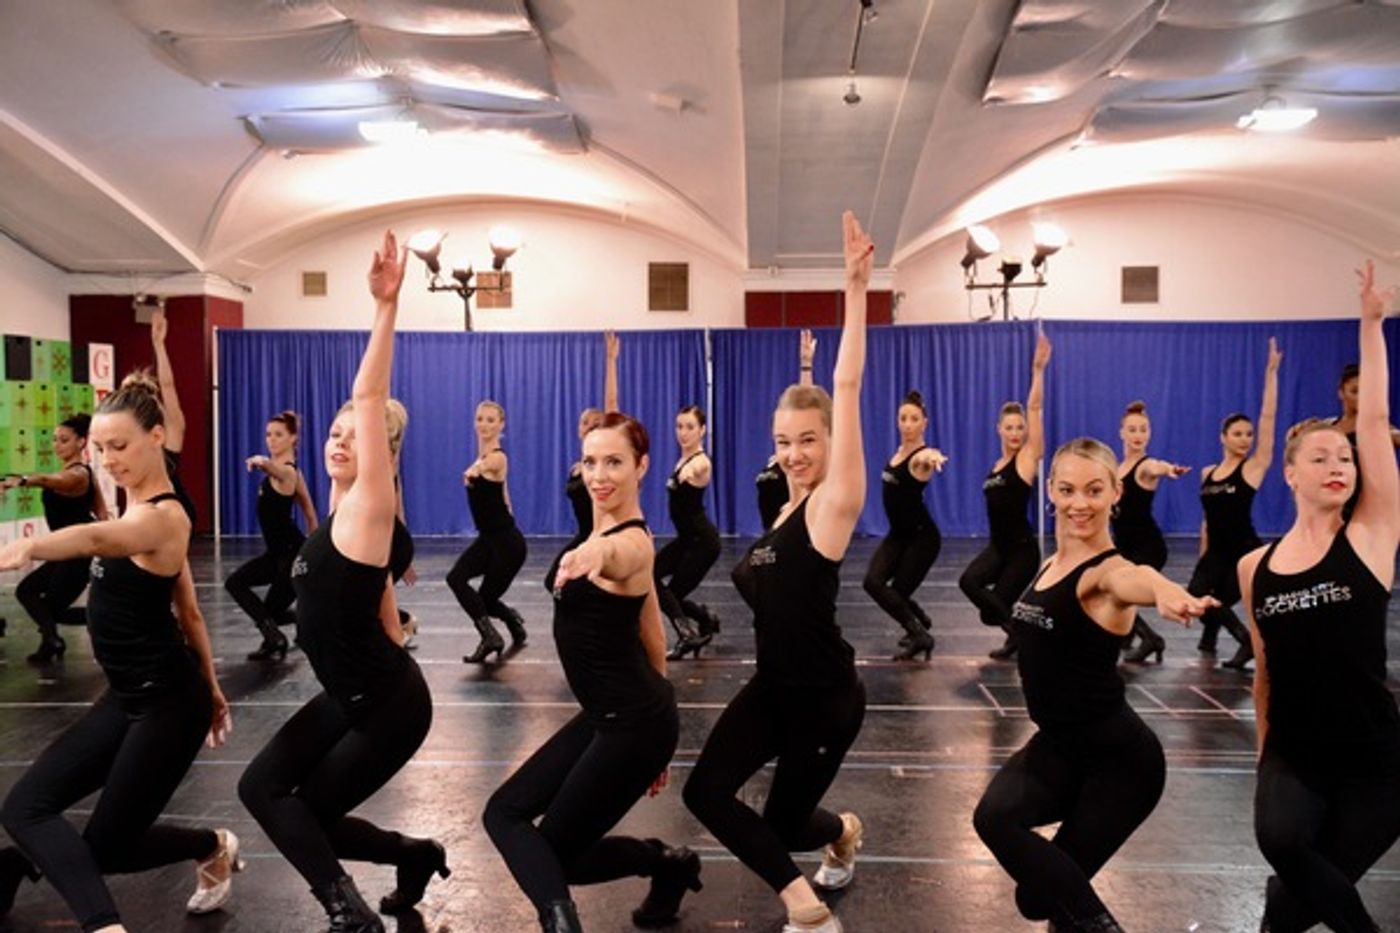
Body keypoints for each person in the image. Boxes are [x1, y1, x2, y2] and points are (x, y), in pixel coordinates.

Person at [238, 232, 445, 933]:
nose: (339, 437)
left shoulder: (368, 505)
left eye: (352, 433)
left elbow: (369, 391)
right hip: (353, 692)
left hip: (388, 705)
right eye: (333, 430)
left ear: (381, 454)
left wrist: (387, 304)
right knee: (262, 786)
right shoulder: (334, 519)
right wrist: (388, 635)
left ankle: (347, 910)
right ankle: (413, 853)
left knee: (298, 807)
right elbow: (381, 601)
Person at [683, 212, 873, 933]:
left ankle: (838, 830)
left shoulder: (833, 507)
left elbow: (845, 388)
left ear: (830, 443)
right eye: (783, 441)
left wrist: (854, 290)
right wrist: (799, 372)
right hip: (772, 688)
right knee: (706, 792)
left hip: (826, 698)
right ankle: (806, 903)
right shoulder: (783, 513)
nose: (794, 453)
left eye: (807, 441)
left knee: (784, 820)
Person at [0, 381, 239, 932]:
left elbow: (96, 541)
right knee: (25, 807)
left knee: (107, 847)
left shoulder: (165, 517)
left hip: (167, 704)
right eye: (101, 449)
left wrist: (33, 545)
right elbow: (190, 612)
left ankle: (105, 925)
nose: (109, 460)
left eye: (121, 446)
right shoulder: (132, 508)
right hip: (129, 695)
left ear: (157, 437)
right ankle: (212, 843)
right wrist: (216, 688)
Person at [972, 437, 1217, 933]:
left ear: (1115, 492)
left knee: (1054, 903)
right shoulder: (1051, 564)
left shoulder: (1105, 572)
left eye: (1093, 490)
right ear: (1051, 492)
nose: (1079, 503)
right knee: (1006, 843)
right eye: (1067, 489)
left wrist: (1167, 590)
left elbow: (1136, 578)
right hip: (1059, 748)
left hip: (1121, 766)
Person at [484, 412, 698, 933]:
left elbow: (617, 553)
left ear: (641, 467)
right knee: (520, 826)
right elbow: (652, 636)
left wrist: (594, 554)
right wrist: (662, 741)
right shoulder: (599, 528)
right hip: (620, 717)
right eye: (591, 461)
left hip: (632, 722)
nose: (599, 475)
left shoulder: (631, 543)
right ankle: (667, 864)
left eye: (615, 463)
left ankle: (561, 924)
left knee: (537, 847)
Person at [1241, 261, 1400, 933]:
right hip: (1294, 753)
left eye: (1345, 456)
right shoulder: (1256, 566)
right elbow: (1264, 669)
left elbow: (1377, 420)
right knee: (1278, 840)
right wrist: (1263, 750)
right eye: (1322, 457)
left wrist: (1371, 324)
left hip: (1375, 761)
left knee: (1288, 906)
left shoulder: (1370, 535)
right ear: (1290, 472)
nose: (1339, 464)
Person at [1189, 338, 1282, 671]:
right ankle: (1211, 636)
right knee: (1197, 595)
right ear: (1223, 437)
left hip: (1242, 550)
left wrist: (1271, 374)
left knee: (1221, 600)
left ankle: (1245, 643)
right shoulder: (1207, 473)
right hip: (1216, 551)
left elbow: (1269, 418)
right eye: (1238, 434)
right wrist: (1203, 552)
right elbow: (1206, 519)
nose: (1246, 439)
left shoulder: (1253, 468)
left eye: (1248, 434)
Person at [959, 334, 1052, 661]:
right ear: (999, 428)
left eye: (1019, 427)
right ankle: (1020, 635)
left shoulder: (1025, 460)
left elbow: (1036, 406)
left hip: (1021, 552)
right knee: (971, 585)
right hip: (998, 549)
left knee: (994, 609)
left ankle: (1024, 638)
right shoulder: (996, 465)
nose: (1015, 432)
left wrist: (1038, 370)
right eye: (1009, 427)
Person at [3, 413, 108, 664]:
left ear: (81, 442)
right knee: (29, 593)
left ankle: (102, 621)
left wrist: (25, 480)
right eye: (54, 440)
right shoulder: (85, 474)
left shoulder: (79, 475)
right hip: (66, 551)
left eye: (64, 440)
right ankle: (51, 640)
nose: (57, 445)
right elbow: (102, 512)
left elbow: (54, 481)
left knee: (46, 606)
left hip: (78, 553)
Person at [225, 410, 317, 662]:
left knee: (268, 613)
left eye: (278, 435)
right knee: (236, 584)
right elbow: (310, 515)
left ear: (293, 439)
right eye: (268, 435)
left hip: (291, 557)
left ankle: (276, 637)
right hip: (276, 555)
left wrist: (261, 461)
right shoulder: (289, 474)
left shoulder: (287, 473)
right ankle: (281, 632)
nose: (271, 439)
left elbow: (309, 513)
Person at [864, 390, 946, 661]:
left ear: (925, 423)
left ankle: (920, 633)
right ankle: (920, 623)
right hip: (898, 535)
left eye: (914, 419)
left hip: (922, 539)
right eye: (903, 418)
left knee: (897, 592)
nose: (908, 424)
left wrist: (933, 456)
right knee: (873, 583)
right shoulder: (900, 452)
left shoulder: (920, 458)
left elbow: (927, 457)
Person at [452, 400, 529, 663]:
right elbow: (502, 490)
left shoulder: (496, 457)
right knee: (456, 579)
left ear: (501, 425)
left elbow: (490, 467)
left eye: (490, 420)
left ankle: (503, 627)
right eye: (480, 419)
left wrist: (476, 469)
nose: (484, 424)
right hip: (489, 540)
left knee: (485, 598)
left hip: (508, 545)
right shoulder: (483, 456)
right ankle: (499, 629)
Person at [1113, 401, 1190, 664]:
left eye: (1143, 430)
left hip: (1148, 546)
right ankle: (1128, 635)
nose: (1138, 435)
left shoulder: (1146, 467)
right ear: (1121, 432)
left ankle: (1151, 639)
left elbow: (1157, 467)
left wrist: (1170, 470)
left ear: (1150, 433)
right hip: (1124, 546)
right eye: (1132, 429)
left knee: (1119, 592)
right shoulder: (1117, 470)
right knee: (1114, 590)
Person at [546, 331, 619, 592]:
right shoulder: (579, 466)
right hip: (585, 534)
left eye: (594, 423)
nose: (588, 426)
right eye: (584, 422)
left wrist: (610, 360)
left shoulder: (603, 462)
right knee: (553, 581)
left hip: (601, 535)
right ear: (578, 429)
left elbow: (611, 405)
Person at [655, 405, 722, 660]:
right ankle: (705, 619)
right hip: (687, 540)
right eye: (679, 426)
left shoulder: (700, 463)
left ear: (702, 430)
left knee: (671, 594)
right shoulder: (682, 459)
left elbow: (697, 471)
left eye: (690, 427)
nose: (683, 432)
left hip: (703, 543)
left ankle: (687, 635)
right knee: (652, 577)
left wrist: (687, 474)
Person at [756, 329, 817, 531]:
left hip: (792, 535)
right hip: (771, 536)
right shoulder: (775, 460)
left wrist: (806, 366)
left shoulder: (797, 464)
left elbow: (807, 405)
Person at [1324, 360, 1400, 520]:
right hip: (1333, 508)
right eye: (1354, 391)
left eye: (1366, 391)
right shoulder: (1328, 426)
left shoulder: (1379, 429)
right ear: (1341, 392)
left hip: (1367, 513)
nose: (1361, 397)